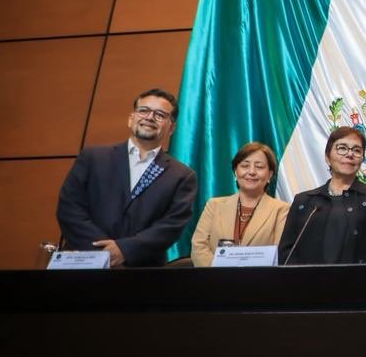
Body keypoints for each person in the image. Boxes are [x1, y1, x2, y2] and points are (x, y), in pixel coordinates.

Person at [55, 88, 197, 267]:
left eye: (160, 115)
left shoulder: (182, 175)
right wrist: (102, 252)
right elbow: (69, 208)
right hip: (82, 262)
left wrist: (124, 249)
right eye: (144, 110)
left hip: (141, 272)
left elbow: (171, 226)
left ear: (171, 127)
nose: (150, 117)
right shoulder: (93, 158)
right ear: (131, 118)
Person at [277, 127, 366, 264]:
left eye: (356, 150)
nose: (350, 154)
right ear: (327, 157)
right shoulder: (304, 201)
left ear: (362, 159)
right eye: (342, 148)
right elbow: (286, 252)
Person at [190, 142, 290, 266]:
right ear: (235, 173)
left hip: (260, 281)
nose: (251, 171)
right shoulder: (214, 205)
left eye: (259, 167)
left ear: (269, 174)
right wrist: (219, 275)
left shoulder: (281, 210)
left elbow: (280, 253)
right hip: (215, 281)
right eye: (245, 165)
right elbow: (199, 246)